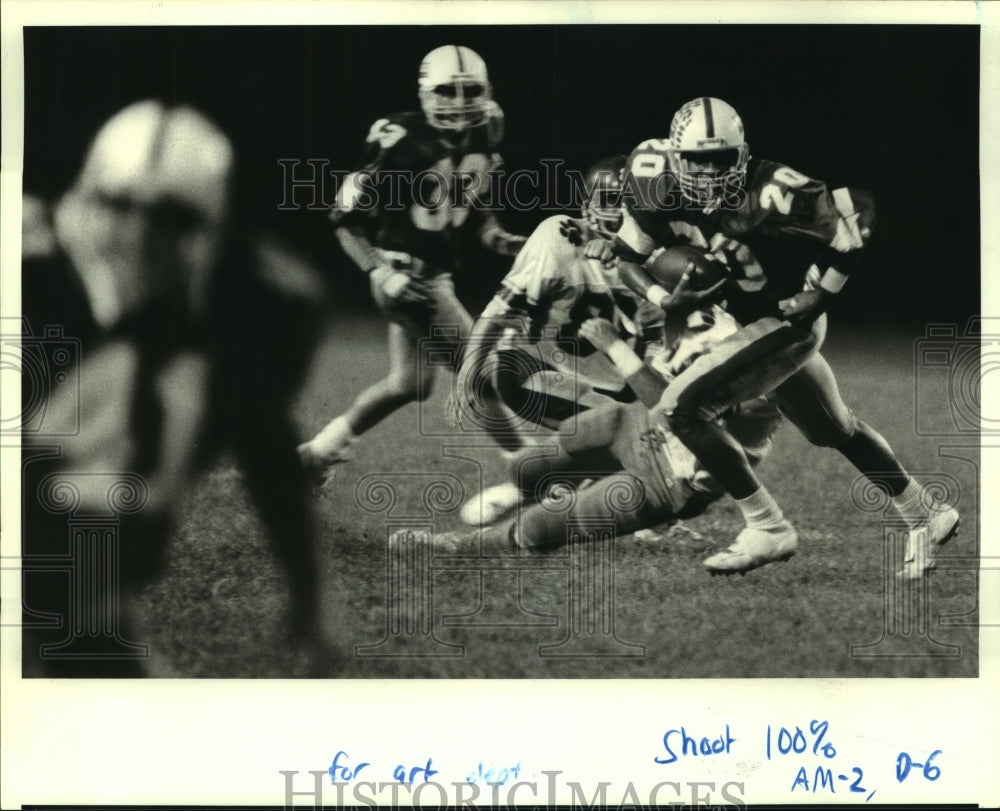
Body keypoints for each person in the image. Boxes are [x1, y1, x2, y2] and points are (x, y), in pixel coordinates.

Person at [21, 100, 334, 676]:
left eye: (170, 217)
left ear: (212, 225)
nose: (137, 236)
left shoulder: (255, 303)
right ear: (81, 195)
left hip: (88, 571)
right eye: (117, 205)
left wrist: (307, 589)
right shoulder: (25, 270)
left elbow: (264, 444)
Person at [611, 96, 958, 577]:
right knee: (832, 429)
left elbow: (858, 209)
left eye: (721, 159)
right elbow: (627, 255)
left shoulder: (770, 188)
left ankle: (767, 527)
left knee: (681, 408)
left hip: (783, 320)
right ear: (673, 155)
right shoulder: (651, 176)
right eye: (698, 159)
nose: (710, 173)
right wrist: (660, 295)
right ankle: (925, 511)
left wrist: (824, 292)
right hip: (752, 322)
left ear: (743, 155)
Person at [297, 45, 525, 486]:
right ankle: (532, 474)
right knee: (479, 375)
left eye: (470, 90)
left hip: (433, 277)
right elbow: (344, 220)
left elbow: (474, 212)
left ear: (487, 91)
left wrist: (499, 238)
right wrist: (382, 272)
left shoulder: (485, 136)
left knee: (410, 385)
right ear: (424, 94)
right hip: (403, 276)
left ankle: (314, 456)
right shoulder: (400, 137)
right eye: (446, 91)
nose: (459, 102)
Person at [421, 301, 783, 555]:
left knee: (537, 531)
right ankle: (531, 490)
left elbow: (672, 410)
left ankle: (457, 545)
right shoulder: (718, 315)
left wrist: (614, 346)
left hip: (667, 477)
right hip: (633, 425)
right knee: (526, 468)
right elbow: (658, 373)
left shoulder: (769, 366)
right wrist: (653, 329)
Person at [452, 155, 665, 525]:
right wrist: (468, 372)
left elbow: (648, 353)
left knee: (645, 432)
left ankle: (534, 489)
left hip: (608, 377)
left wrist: (653, 326)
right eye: (611, 200)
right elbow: (500, 309)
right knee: (633, 437)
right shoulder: (561, 235)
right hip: (535, 367)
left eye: (632, 202)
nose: (622, 212)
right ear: (587, 206)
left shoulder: (659, 252)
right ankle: (630, 516)